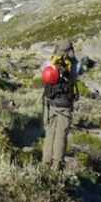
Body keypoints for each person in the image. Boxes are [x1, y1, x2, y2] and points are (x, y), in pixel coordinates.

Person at [41, 39, 80, 171]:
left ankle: (45, 163)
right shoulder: (75, 66)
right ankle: (57, 164)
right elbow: (77, 76)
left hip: (51, 103)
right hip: (66, 103)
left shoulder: (49, 63)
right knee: (61, 134)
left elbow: (43, 74)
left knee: (49, 133)